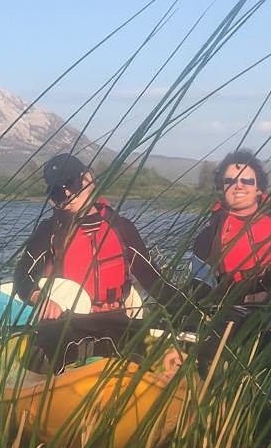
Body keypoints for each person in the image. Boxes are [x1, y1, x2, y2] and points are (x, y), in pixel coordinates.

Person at [13, 153, 190, 372]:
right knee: (54, 341)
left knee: (137, 341)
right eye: (57, 191)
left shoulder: (121, 228)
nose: (66, 194)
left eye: (70, 183)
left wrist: (193, 314)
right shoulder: (48, 231)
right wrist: (41, 299)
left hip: (116, 321)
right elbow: (22, 277)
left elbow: (155, 282)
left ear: (88, 179)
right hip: (68, 323)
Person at [188, 149, 271, 373]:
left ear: (259, 188)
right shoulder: (208, 237)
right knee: (211, 363)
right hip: (230, 319)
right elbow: (200, 289)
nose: (238, 186)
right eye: (230, 181)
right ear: (222, 189)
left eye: (246, 180)